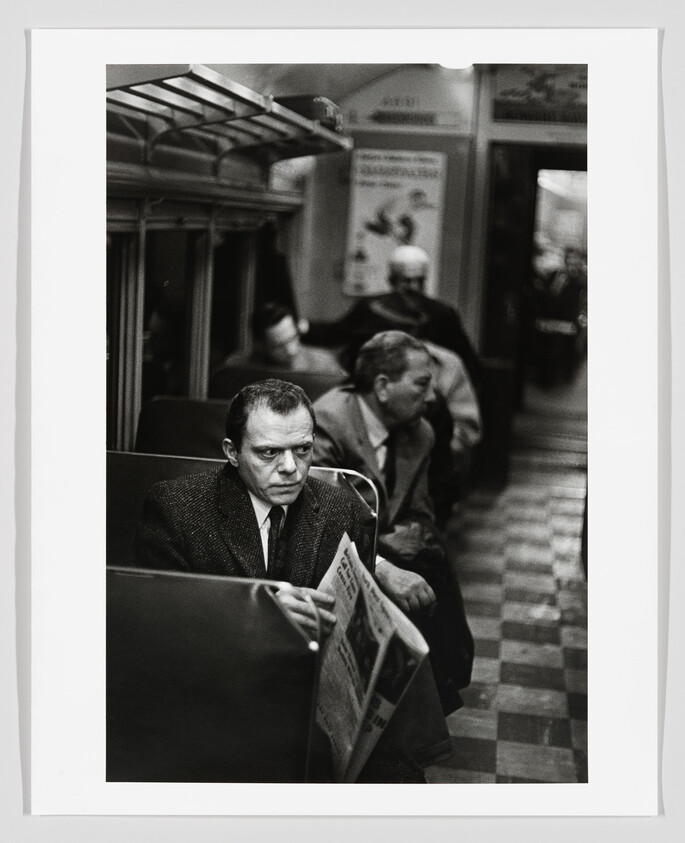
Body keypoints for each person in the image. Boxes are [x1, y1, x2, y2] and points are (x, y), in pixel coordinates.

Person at [135, 378, 432, 783]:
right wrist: (260, 616)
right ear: (232, 453)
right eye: (269, 453)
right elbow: (158, 630)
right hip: (218, 695)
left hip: (315, 703)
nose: (291, 468)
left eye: (303, 450)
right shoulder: (177, 510)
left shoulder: (344, 510)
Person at [312, 331, 474, 715]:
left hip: (382, 542)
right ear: (382, 387)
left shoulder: (420, 433)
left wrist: (416, 534)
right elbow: (316, 524)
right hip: (331, 553)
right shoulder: (326, 425)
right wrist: (383, 566)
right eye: (421, 385)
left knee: (431, 568)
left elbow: (419, 509)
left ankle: (428, 698)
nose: (432, 398)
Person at [303, 244, 482, 391]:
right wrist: (301, 326)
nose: (412, 287)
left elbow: (466, 362)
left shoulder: (442, 314)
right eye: (405, 281)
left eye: (418, 281)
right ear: (391, 280)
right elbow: (338, 332)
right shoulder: (371, 308)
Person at [220, 302, 346, 376]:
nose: (291, 350)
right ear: (260, 345)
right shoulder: (236, 368)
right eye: (279, 345)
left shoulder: (324, 365)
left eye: (293, 338)